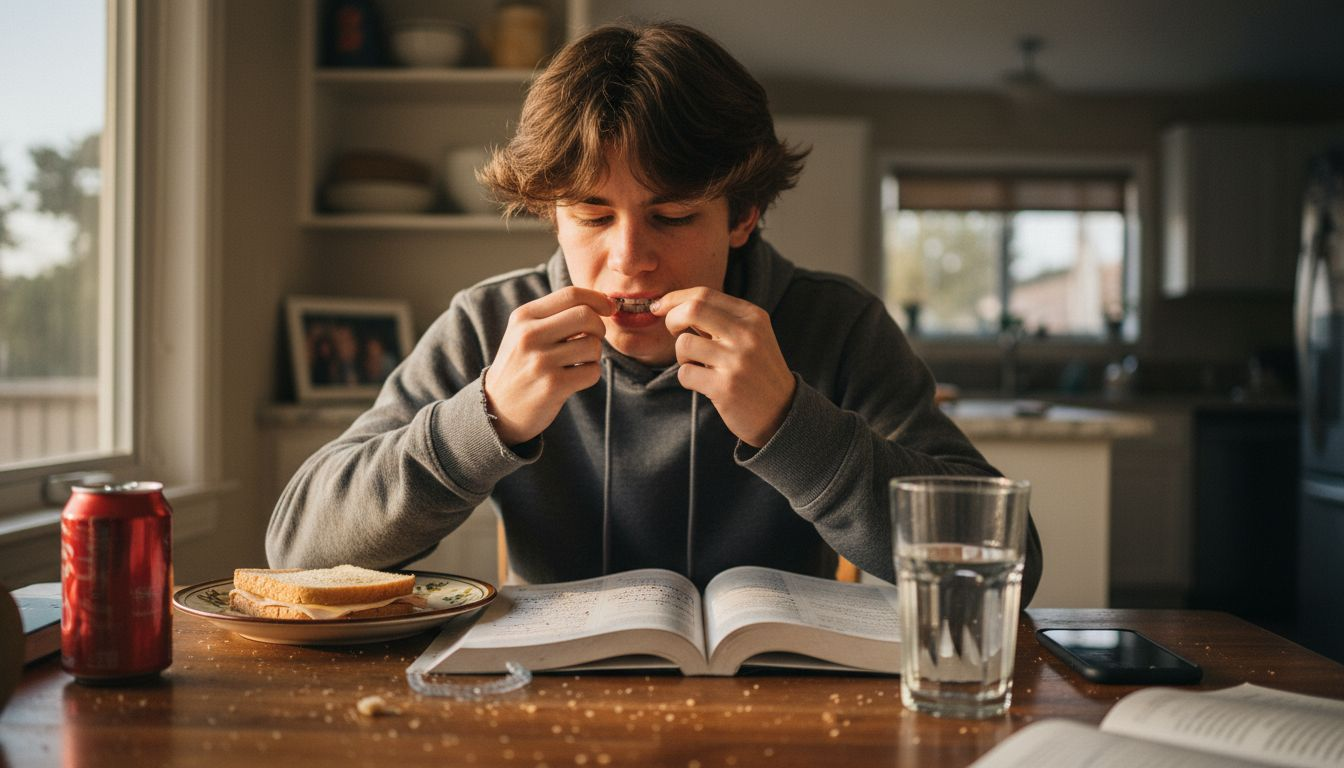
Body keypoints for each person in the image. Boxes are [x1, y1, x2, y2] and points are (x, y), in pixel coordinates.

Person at [267, 21, 1043, 602]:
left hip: (779, 711)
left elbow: (1010, 565)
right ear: (551, 214)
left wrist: (788, 422)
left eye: (671, 217)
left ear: (743, 217)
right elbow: (297, 550)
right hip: (551, 709)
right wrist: (488, 419)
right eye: (592, 216)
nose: (629, 258)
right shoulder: (488, 325)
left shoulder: (835, 326)